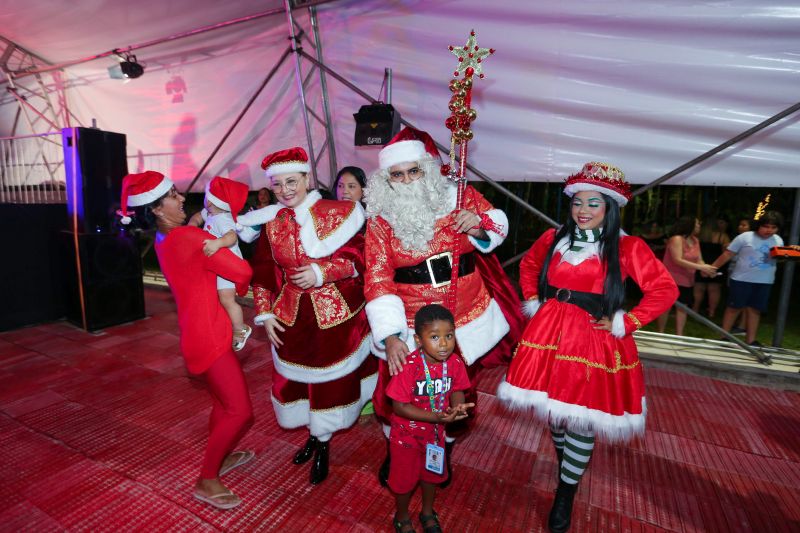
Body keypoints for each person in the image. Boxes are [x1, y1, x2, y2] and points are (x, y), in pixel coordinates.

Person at [497, 162, 678, 533]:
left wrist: (627, 321)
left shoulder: (628, 246)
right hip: (549, 334)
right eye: (578, 202)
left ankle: (565, 494)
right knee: (555, 413)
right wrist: (533, 301)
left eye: (593, 203)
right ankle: (568, 466)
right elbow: (530, 266)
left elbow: (665, 289)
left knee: (581, 419)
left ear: (609, 208)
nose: (583, 210)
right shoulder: (552, 239)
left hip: (594, 340)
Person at [363, 127, 520, 488]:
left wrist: (478, 226)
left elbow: (496, 224)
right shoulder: (380, 220)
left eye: (413, 171)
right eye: (396, 174)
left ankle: (444, 446)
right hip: (408, 320)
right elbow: (376, 277)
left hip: (466, 313)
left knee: (457, 388)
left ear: (428, 168)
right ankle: (398, 446)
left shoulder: (459, 195)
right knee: (400, 389)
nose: (405, 181)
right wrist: (389, 337)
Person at [237, 147, 378, 485]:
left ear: (306, 179)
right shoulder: (272, 223)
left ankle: (324, 442)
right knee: (299, 383)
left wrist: (321, 272)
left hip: (334, 316)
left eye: (292, 181)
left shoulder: (339, 213)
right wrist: (264, 314)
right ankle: (313, 436)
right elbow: (264, 273)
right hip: (290, 317)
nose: (285, 190)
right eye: (278, 184)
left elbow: (360, 257)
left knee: (330, 384)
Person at [118, 171, 255, 510]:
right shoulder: (189, 238)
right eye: (174, 196)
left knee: (223, 404)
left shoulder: (166, 240)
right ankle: (207, 479)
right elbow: (242, 272)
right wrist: (234, 288)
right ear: (157, 210)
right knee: (240, 412)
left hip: (196, 332)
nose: (182, 199)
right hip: (210, 336)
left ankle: (219, 458)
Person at [386, 304, 473, 533]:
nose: (443, 344)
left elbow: (456, 389)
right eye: (434, 337)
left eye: (449, 336)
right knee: (404, 481)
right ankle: (402, 516)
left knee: (431, 475)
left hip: (435, 434)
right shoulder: (409, 367)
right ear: (418, 340)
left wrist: (457, 407)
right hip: (407, 436)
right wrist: (436, 416)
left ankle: (427, 512)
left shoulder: (454, 362)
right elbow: (399, 407)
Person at [711, 211, 794, 346]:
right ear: (759, 225)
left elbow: (777, 259)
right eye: (766, 226)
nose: (769, 230)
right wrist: (713, 268)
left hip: (765, 281)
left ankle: (751, 340)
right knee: (734, 308)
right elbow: (728, 254)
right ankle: (724, 337)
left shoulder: (778, 240)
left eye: (773, 228)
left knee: (755, 310)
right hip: (741, 279)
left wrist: (788, 255)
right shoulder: (745, 237)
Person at [198, 176, 253, 351]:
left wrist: (217, 243)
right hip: (218, 266)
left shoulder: (223, 218)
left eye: (207, 196)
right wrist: (192, 225)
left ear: (212, 200)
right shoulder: (212, 214)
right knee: (219, 300)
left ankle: (240, 329)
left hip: (228, 267)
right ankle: (227, 327)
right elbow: (198, 216)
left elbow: (231, 237)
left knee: (227, 300)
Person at [656, 216, 717, 336]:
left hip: (687, 279)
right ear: (690, 225)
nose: (699, 226)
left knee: (683, 307)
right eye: (697, 224)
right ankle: (660, 333)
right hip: (670, 278)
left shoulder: (695, 240)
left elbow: (699, 259)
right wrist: (700, 267)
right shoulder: (676, 239)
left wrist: (706, 268)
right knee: (665, 307)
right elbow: (677, 260)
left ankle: (679, 335)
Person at [692, 217, 731, 319]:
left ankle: (695, 309)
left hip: (701, 263)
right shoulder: (722, 236)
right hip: (717, 264)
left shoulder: (698, 236)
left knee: (698, 288)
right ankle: (712, 312)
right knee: (714, 289)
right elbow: (725, 252)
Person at [729, 217, 752, 333]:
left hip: (745, 275)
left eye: (744, 225)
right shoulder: (739, 238)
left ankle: (742, 326)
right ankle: (735, 325)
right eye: (740, 225)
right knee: (737, 301)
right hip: (735, 270)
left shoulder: (750, 240)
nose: (741, 227)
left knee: (745, 301)